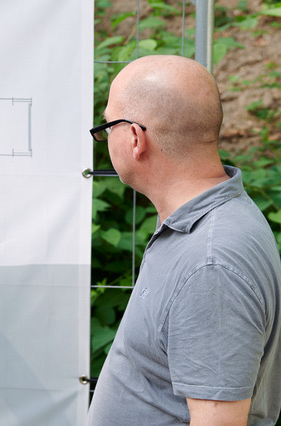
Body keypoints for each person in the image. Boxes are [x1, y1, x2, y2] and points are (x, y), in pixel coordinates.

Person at [88, 55, 281, 425]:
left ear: (133, 137)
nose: (104, 137)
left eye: (107, 125)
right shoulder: (200, 226)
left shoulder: (210, 263)